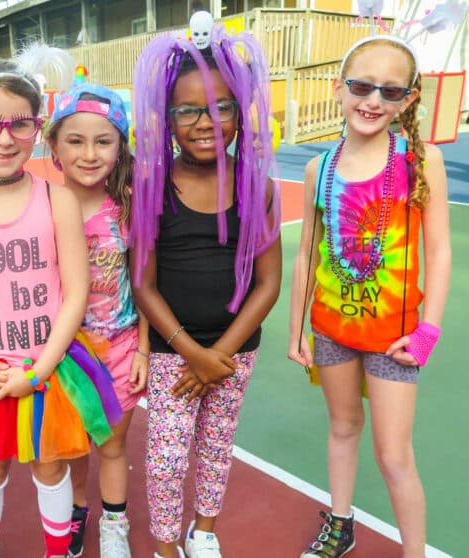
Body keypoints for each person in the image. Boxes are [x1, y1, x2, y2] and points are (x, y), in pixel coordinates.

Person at [0, 45, 123, 558]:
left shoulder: (56, 199)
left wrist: (38, 369)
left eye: (20, 125)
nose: (4, 138)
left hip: (47, 367)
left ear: (37, 128)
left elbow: (76, 292)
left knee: (50, 464)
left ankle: (57, 552)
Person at [288, 35, 450, 558]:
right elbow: (307, 256)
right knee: (342, 427)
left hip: (396, 339)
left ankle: (414, 552)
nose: (373, 100)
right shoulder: (320, 169)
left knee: (394, 454)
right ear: (339, 89)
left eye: (390, 91)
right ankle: (341, 524)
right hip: (331, 329)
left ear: (406, 100)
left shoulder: (420, 162)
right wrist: (297, 331)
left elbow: (440, 251)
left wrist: (429, 330)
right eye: (362, 85)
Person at [130, 18, 281, 558]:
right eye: (187, 110)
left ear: (239, 112)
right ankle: (167, 546)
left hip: (234, 353)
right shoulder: (151, 186)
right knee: (167, 457)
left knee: (217, 447)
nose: (205, 123)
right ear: (167, 119)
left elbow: (269, 284)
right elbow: (143, 284)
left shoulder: (257, 186)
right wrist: (193, 352)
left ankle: (204, 533)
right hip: (176, 354)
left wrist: (220, 353)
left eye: (221, 107)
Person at [46, 83, 148, 558]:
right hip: (62, 357)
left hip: (121, 351)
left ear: (120, 146)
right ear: (54, 148)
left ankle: (114, 526)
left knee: (110, 446)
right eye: (76, 140)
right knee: (70, 448)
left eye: (103, 141)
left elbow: (145, 285)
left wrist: (145, 348)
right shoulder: (41, 210)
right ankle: (75, 513)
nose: (89, 154)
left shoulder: (129, 210)